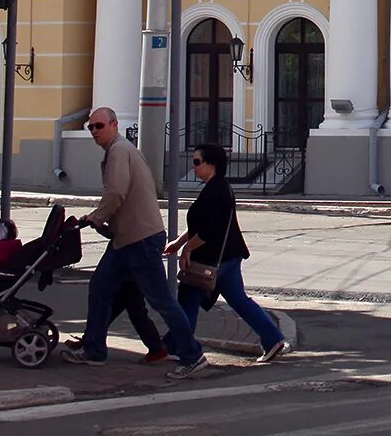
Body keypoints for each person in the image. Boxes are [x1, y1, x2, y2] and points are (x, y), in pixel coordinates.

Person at [61, 107, 208, 379]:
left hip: (138, 239)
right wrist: (103, 221)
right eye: (90, 127)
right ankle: (93, 350)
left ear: (114, 125)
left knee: (161, 300)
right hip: (126, 238)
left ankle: (192, 354)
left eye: (99, 126)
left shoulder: (119, 151)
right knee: (101, 287)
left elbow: (116, 191)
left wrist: (96, 217)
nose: (94, 131)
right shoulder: (121, 150)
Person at [165, 144, 289, 364]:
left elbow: (207, 231)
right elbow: (200, 225)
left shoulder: (215, 191)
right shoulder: (218, 187)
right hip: (227, 257)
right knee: (238, 300)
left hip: (212, 259)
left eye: (196, 162)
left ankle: (178, 347)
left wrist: (188, 248)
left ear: (211, 164)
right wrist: (179, 242)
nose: (193, 167)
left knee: (188, 299)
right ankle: (272, 338)